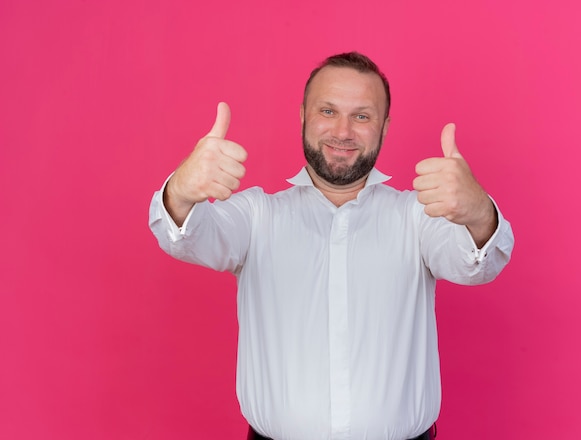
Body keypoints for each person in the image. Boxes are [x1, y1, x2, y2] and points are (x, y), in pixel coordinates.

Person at [149, 52, 514, 440]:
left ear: (384, 128)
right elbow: (183, 236)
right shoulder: (257, 216)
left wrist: (477, 211)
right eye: (328, 111)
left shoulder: (418, 216)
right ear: (303, 116)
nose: (343, 131)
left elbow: (476, 264)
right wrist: (182, 190)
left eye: (361, 116)